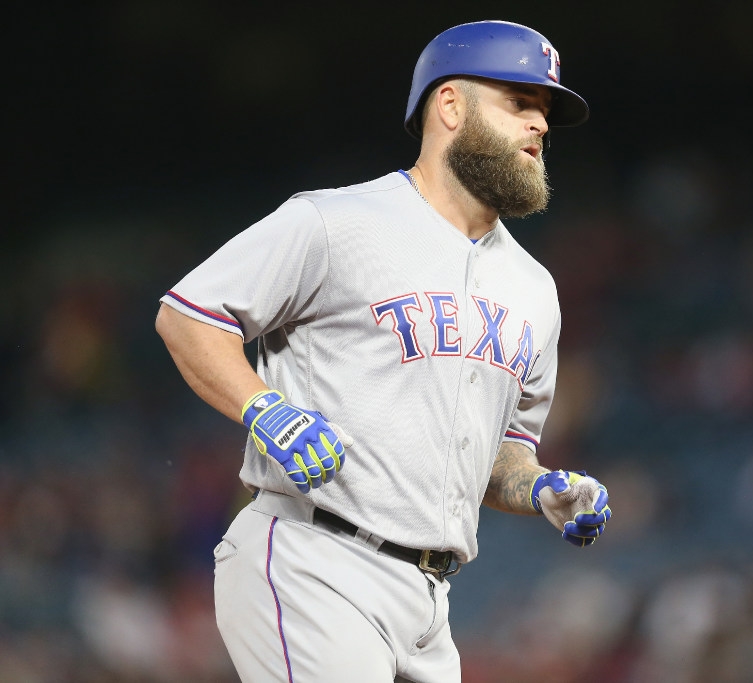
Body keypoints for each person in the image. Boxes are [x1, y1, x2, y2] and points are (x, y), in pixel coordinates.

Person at [155, 19, 612, 682]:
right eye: (520, 102)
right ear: (450, 105)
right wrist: (265, 407)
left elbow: (499, 455)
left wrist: (538, 486)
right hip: (315, 558)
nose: (540, 123)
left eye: (544, 110)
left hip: (430, 601)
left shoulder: (536, 290)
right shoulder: (337, 222)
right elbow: (189, 315)